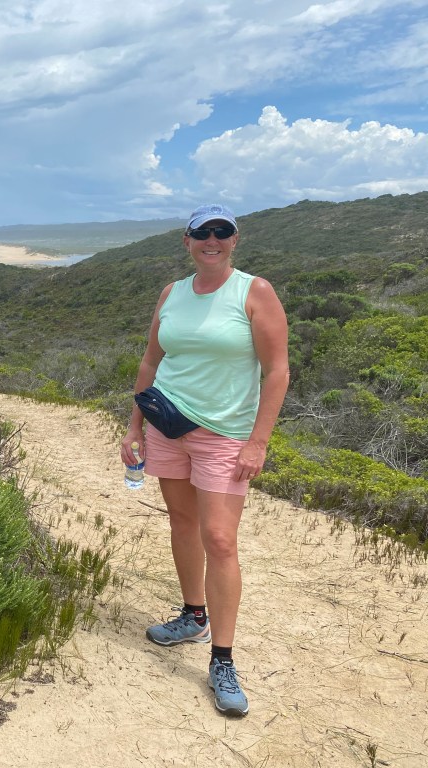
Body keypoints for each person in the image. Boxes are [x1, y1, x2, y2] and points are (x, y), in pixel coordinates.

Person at [120, 203, 289, 717]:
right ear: (187, 240)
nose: (211, 240)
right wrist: (134, 427)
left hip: (225, 435)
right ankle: (194, 616)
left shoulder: (253, 291)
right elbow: (152, 360)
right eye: (202, 232)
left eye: (222, 232)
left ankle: (222, 659)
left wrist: (258, 442)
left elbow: (277, 371)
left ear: (235, 240)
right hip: (167, 425)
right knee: (183, 522)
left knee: (219, 538)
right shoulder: (171, 293)